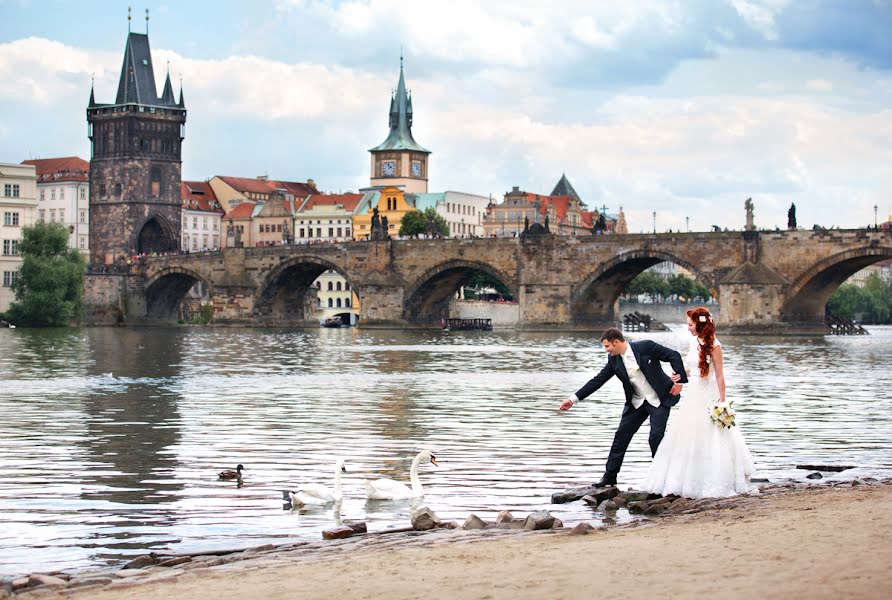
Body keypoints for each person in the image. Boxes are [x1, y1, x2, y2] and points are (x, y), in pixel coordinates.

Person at [642, 307, 757, 498]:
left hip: (708, 393)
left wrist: (723, 402)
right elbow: (692, 369)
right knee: (687, 433)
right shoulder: (693, 341)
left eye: (690, 324)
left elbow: (719, 375)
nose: (688, 328)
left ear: (700, 324)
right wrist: (679, 375)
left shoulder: (715, 346)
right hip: (694, 391)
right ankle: (684, 477)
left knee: (712, 434)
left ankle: (713, 479)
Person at [559, 328, 687, 487]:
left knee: (655, 437)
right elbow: (598, 380)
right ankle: (610, 477)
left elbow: (673, 355)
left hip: (659, 399)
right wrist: (573, 399)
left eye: (607, 346)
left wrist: (679, 382)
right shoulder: (614, 360)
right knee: (620, 437)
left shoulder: (646, 347)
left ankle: (662, 478)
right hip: (636, 403)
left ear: (616, 342)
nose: (606, 350)